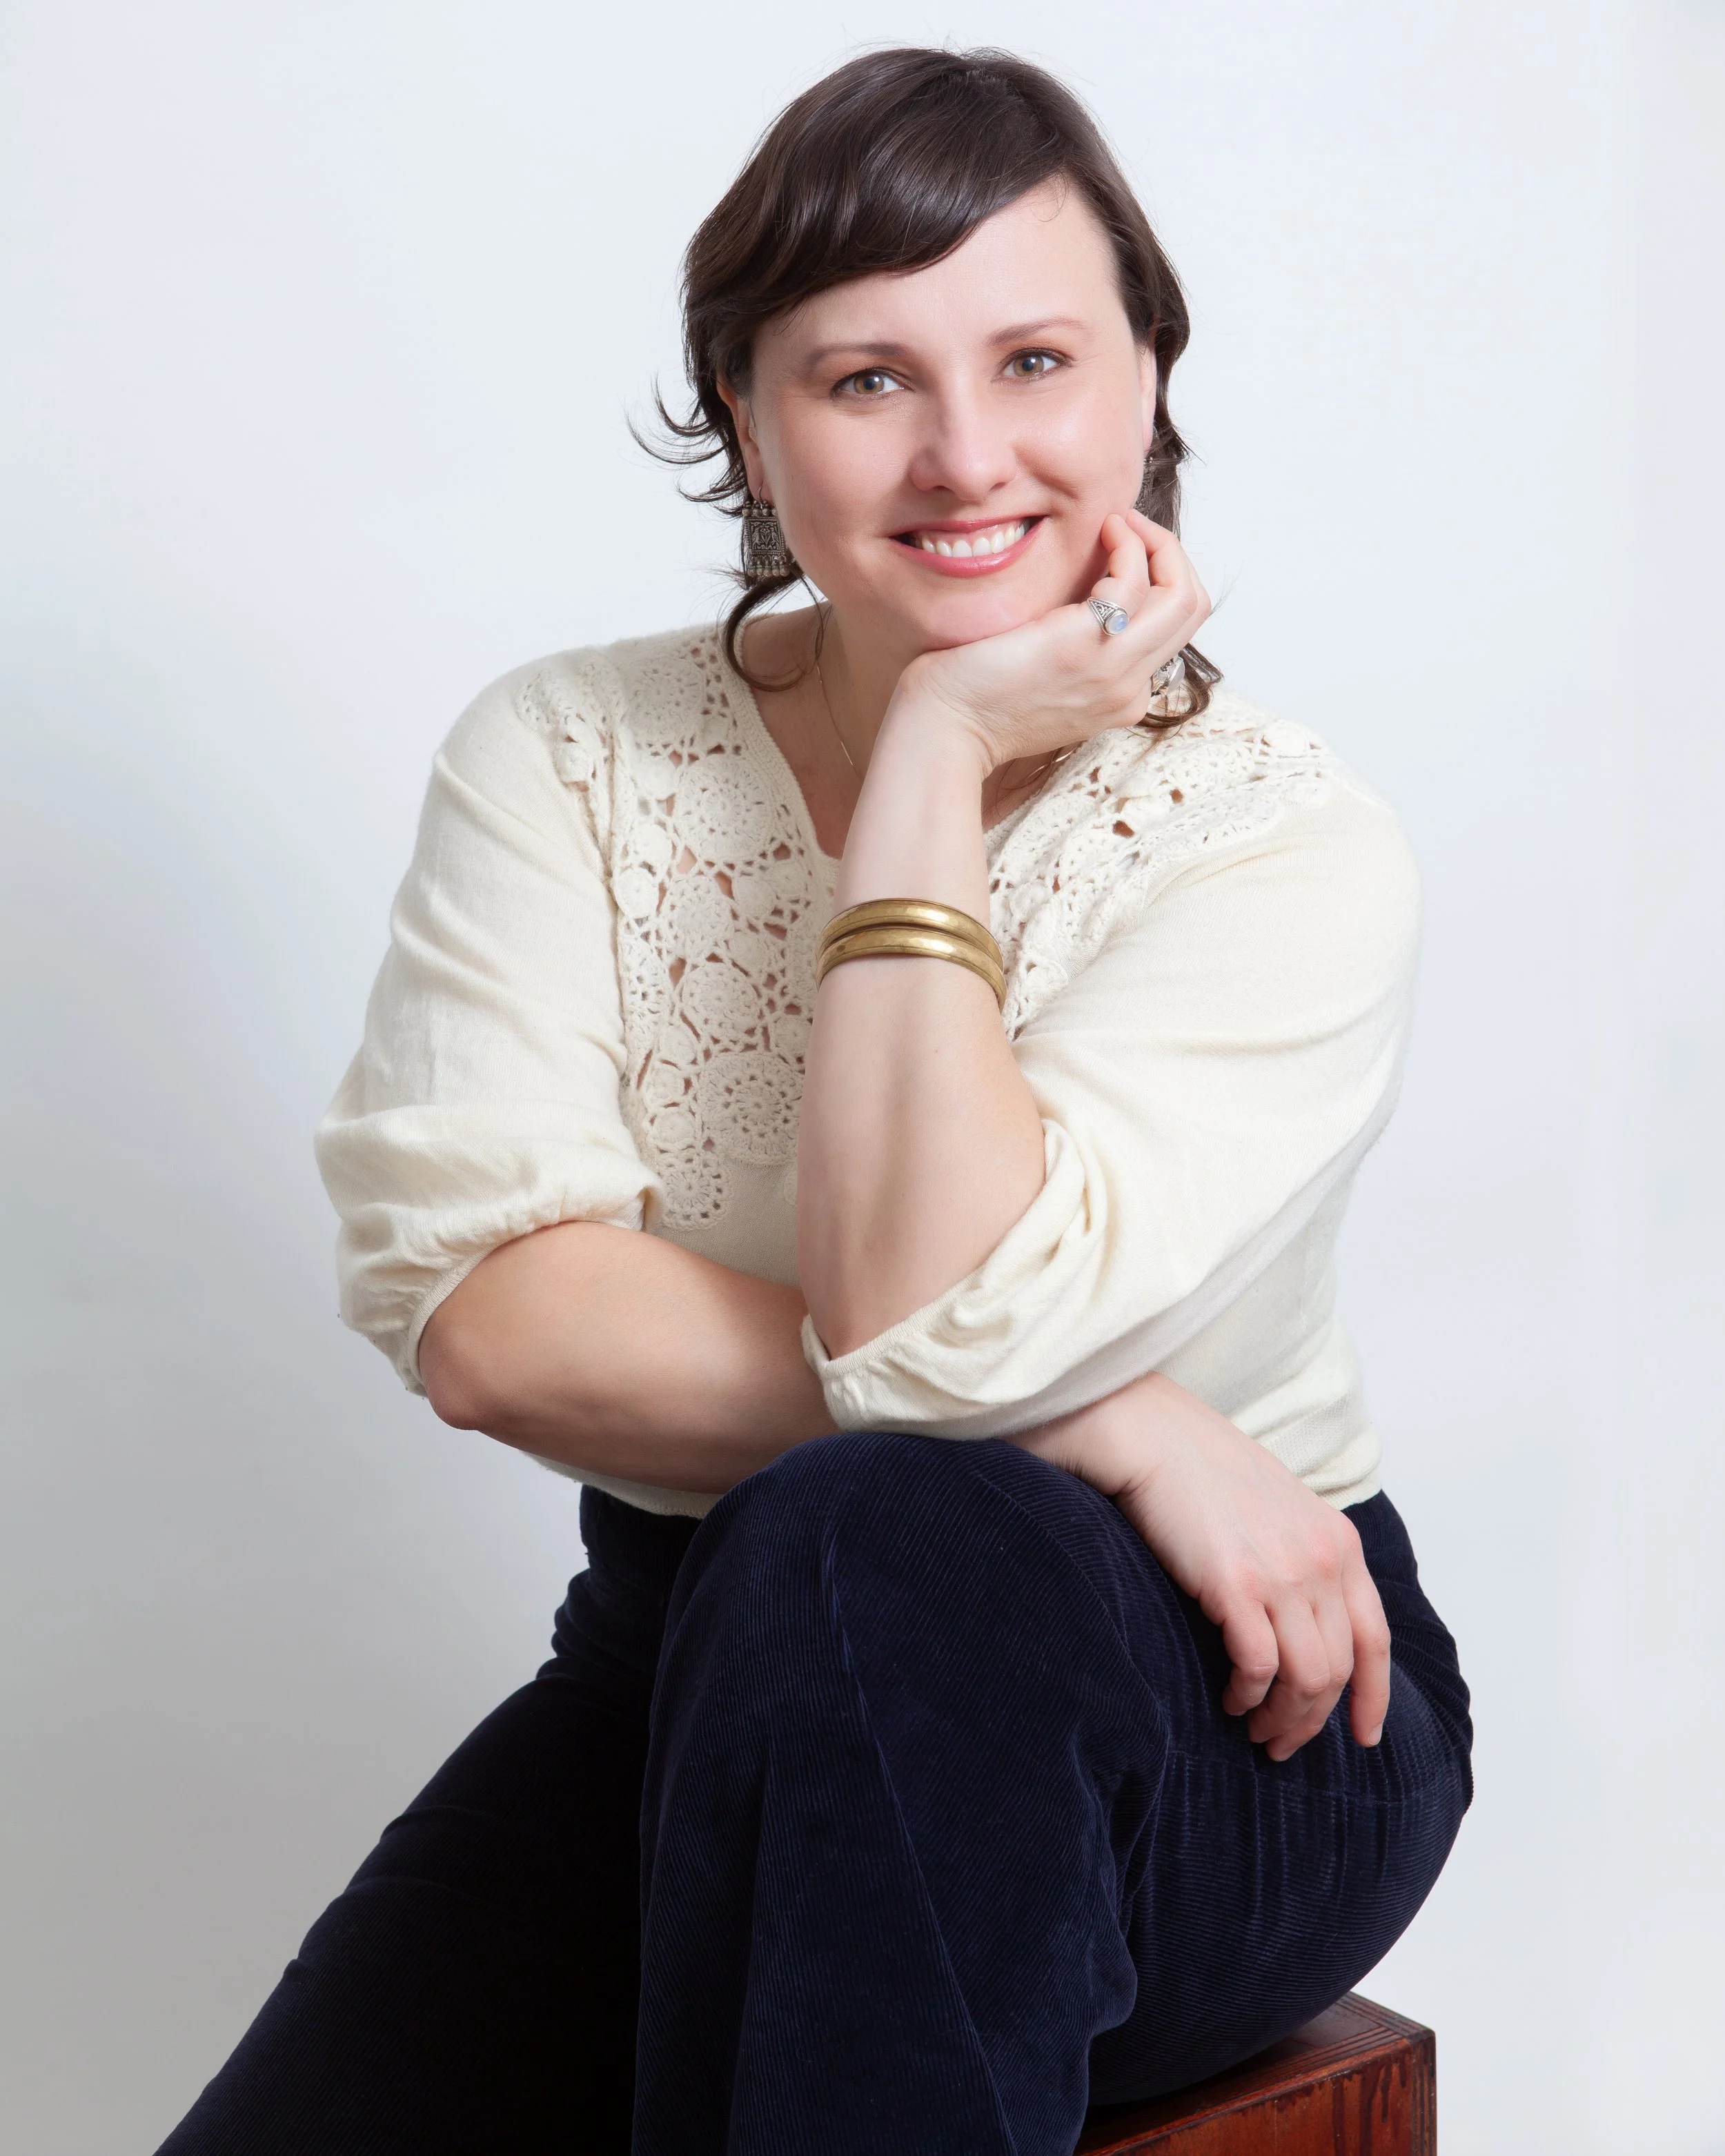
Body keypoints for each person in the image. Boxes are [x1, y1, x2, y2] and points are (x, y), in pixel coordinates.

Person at [159, 46, 1472, 2156]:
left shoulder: (1276, 844)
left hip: (1225, 1705)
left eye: (1035, 357)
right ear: (749, 426)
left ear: (1143, 378)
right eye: (865, 379)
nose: (966, 452)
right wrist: (1114, 1418)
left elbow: (931, 1308)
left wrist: (931, 762)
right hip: (684, 1670)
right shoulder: (569, 754)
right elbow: (489, 1323)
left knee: (885, 1530)